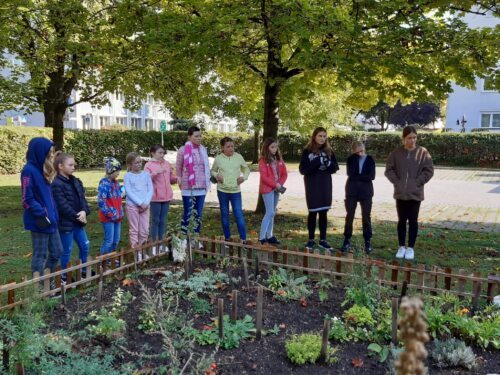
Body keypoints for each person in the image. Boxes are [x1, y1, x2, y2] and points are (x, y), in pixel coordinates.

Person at [385, 125, 434, 260]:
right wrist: (397, 182)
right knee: (401, 220)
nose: (412, 140)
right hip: (400, 193)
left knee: (413, 221)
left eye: (414, 138)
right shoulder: (396, 153)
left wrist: (417, 182)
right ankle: (401, 246)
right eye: (409, 138)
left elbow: (429, 170)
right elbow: (389, 169)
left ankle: (410, 248)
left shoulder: (423, 152)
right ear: (403, 138)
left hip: (415, 194)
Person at [21, 137, 62, 277]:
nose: (51, 155)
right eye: (49, 152)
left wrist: (54, 214)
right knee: (40, 255)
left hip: (52, 220)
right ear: (39, 151)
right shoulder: (28, 171)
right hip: (40, 221)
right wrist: (42, 213)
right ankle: (38, 289)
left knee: (57, 252)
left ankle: (46, 280)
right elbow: (27, 199)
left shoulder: (44, 169)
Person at [51, 152, 91, 280]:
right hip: (66, 224)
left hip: (79, 222)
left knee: (85, 246)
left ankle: (83, 271)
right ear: (60, 166)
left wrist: (84, 211)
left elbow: (83, 200)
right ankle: (64, 276)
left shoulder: (76, 181)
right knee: (66, 250)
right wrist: (77, 216)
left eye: (74, 164)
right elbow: (62, 205)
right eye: (71, 165)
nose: (74, 167)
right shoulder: (56, 184)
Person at [299, 127, 339, 251]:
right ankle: (311, 240)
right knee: (312, 212)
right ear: (314, 136)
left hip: (325, 185)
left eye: (324, 136)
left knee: (323, 212)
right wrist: (317, 161)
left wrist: (328, 164)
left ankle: (323, 240)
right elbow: (303, 170)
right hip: (312, 185)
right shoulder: (307, 151)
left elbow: (335, 168)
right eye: (320, 136)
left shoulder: (329, 151)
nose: (322, 138)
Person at [211, 137, 250, 243]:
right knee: (224, 214)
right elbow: (213, 171)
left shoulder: (239, 157)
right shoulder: (218, 158)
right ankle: (227, 238)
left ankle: (243, 239)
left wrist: (244, 177)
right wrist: (216, 175)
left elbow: (246, 169)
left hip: (235, 191)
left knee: (238, 214)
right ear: (222, 147)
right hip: (222, 191)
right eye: (228, 146)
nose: (231, 148)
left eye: (232, 146)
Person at [176, 126, 211, 241]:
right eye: (196, 136)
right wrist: (179, 178)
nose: (199, 138)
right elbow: (178, 166)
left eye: (200, 136)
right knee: (188, 213)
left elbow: (206, 166)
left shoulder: (203, 149)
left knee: (198, 214)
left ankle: (194, 239)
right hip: (188, 186)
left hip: (201, 186)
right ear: (189, 137)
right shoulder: (183, 149)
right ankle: (183, 239)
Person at [341, 141, 376, 254]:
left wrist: (359, 176)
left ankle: (367, 241)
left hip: (366, 192)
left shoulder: (370, 159)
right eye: (357, 152)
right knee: (350, 215)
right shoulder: (351, 159)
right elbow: (351, 174)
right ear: (353, 151)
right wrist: (356, 159)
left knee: (366, 216)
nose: (360, 154)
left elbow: (372, 176)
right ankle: (347, 240)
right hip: (352, 191)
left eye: (362, 151)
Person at [144, 144, 177, 254]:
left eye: (163, 153)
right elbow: (145, 180)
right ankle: (154, 244)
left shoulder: (166, 164)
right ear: (152, 153)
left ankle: (162, 243)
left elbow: (171, 179)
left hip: (166, 197)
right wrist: (155, 172)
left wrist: (178, 177)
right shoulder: (148, 165)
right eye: (160, 153)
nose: (162, 155)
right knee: (155, 220)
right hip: (155, 197)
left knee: (163, 221)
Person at [258, 138, 288, 246]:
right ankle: (261, 237)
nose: (274, 149)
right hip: (267, 189)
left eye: (276, 147)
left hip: (276, 189)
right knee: (270, 212)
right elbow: (264, 177)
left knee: (272, 213)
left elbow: (284, 173)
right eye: (272, 147)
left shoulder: (279, 159)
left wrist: (279, 184)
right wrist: (276, 185)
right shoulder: (262, 160)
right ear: (266, 148)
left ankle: (269, 235)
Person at [124, 152, 153, 254]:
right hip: (132, 206)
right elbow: (129, 192)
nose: (139, 164)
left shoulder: (146, 174)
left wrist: (146, 202)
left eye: (140, 162)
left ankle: (142, 250)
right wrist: (140, 203)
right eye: (136, 163)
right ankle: (136, 252)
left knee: (144, 230)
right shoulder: (128, 176)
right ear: (130, 165)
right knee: (134, 230)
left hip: (145, 206)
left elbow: (150, 189)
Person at [98, 157, 124, 255]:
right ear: (110, 170)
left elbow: (118, 197)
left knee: (116, 240)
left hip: (117, 217)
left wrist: (120, 212)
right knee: (109, 240)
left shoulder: (116, 183)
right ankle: (104, 262)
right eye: (116, 171)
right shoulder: (104, 184)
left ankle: (111, 259)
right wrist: (109, 213)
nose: (118, 173)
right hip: (108, 218)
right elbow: (101, 201)